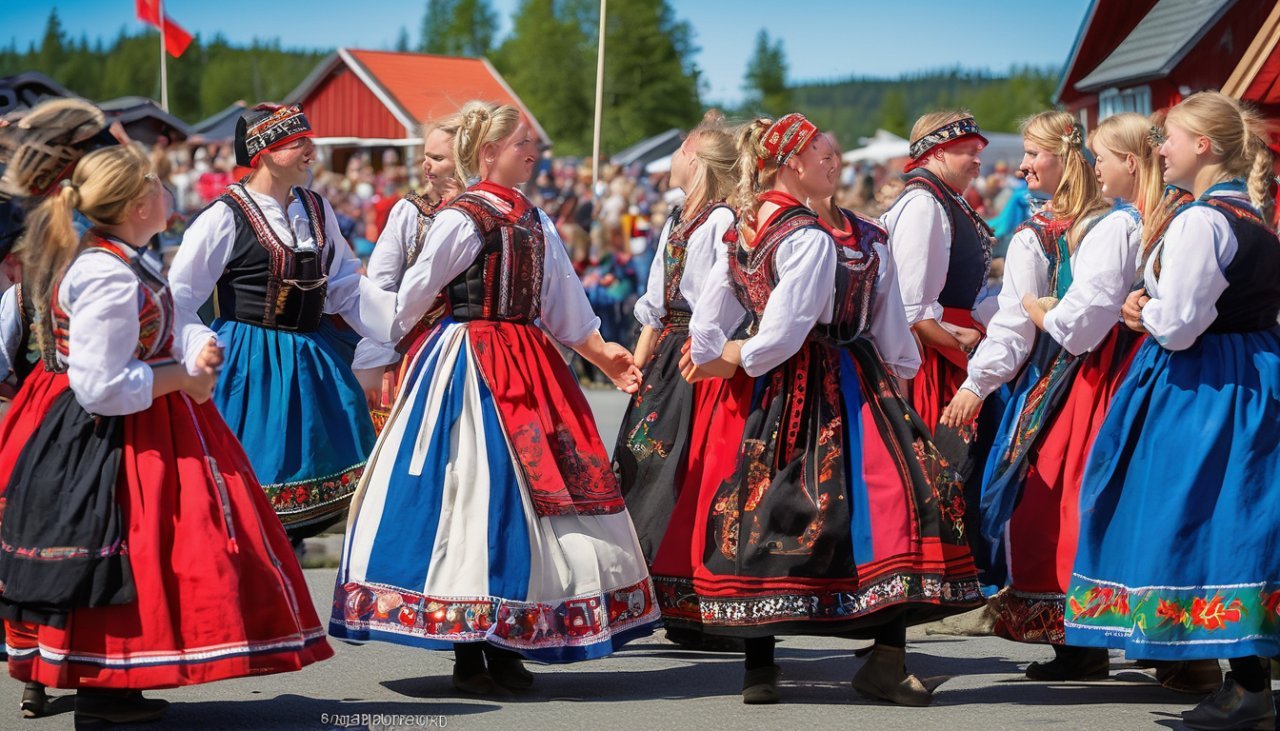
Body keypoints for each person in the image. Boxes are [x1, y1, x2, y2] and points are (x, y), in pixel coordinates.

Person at [331, 101, 660, 695]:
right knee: (471, 495)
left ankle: (510, 638)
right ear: (488, 153)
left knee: (533, 501)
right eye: (521, 144)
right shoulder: (463, 219)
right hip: (467, 366)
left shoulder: (535, 219)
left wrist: (602, 353)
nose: (533, 153)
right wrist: (373, 327)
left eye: (531, 144)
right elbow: (411, 298)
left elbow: (563, 302)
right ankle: (469, 649)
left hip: (528, 365)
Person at [0, 144, 331, 724]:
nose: (166, 190)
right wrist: (179, 377)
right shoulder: (104, 272)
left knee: (146, 552)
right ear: (135, 205)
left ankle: (116, 684)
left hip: (147, 422)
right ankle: (101, 690)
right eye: (154, 183)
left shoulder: (128, 259)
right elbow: (99, 386)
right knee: (117, 548)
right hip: (109, 436)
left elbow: (167, 324)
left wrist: (195, 350)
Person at [682, 113, 981, 706]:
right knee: (799, 503)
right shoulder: (794, 235)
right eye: (824, 154)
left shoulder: (841, 232)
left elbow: (888, 322)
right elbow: (772, 328)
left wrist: (719, 353)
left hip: (825, 378)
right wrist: (729, 353)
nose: (835, 162)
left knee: (862, 501)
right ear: (792, 162)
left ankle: (832, 662)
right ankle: (782, 663)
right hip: (815, 378)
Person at [1065, 91, 1280, 731]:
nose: (1161, 150)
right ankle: (1245, 682)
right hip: (1253, 373)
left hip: (1204, 386)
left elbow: (1182, 324)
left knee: (1198, 517)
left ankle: (1248, 689)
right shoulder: (1252, 216)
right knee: (1240, 517)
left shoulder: (1201, 221)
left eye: (1171, 139)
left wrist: (1140, 311)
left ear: (1203, 147)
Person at [975, 112, 1154, 682]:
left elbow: (1047, 323)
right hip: (1096, 368)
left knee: (1066, 499)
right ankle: (1090, 639)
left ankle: (1082, 638)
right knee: (1072, 500)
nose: (1023, 165)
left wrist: (1035, 312)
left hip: (1085, 376)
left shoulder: (1097, 227)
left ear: (1067, 156)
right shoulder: (1090, 223)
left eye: (1034, 153)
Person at [170, 104, 395, 542]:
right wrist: (200, 344)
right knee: (254, 484)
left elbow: (345, 284)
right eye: (298, 143)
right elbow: (179, 298)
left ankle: (293, 565)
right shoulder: (224, 216)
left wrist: (397, 323)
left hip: (313, 359)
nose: (311, 151)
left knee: (336, 475)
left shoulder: (316, 207)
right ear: (266, 153)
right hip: (251, 364)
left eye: (309, 141)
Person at [613, 111, 740, 649]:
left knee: (689, 473)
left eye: (680, 147)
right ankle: (646, 595)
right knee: (645, 467)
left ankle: (696, 605)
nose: (672, 157)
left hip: (699, 356)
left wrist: (703, 356)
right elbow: (655, 302)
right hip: (667, 352)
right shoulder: (678, 218)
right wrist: (636, 367)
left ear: (695, 158)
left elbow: (717, 304)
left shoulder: (719, 220)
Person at [880, 110, 1002, 585]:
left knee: (958, 465)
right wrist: (963, 344)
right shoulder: (924, 205)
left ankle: (956, 571)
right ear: (935, 152)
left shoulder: (942, 199)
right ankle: (940, 574)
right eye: (967, 151)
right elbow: (913, 310)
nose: (977, 160)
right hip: (935, 360)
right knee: (946, 464)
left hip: (950, 346)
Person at [352, 114, 464, 432]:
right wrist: (376, 354)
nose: (427, 165)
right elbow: (381, 286)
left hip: (472, 348)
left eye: (438, 158)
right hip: (413, 348)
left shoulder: (488, 212)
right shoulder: (411, 211)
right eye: (426, 156)